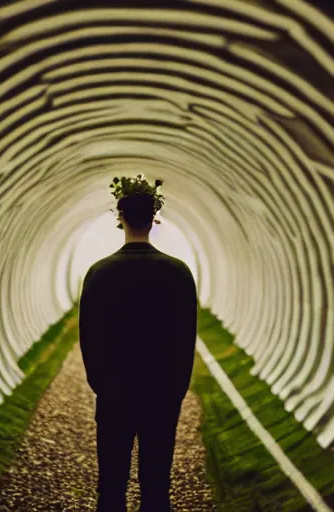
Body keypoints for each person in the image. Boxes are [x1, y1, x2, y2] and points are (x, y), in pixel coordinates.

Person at [78, 175, 198, 512]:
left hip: (115, 392)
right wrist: (176, 389)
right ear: (154, 217)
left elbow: (88, 337)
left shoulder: (99, 273)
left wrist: (101, 384)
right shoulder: (178, 273)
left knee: (112, 486)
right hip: (161, 393)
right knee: (157, 486)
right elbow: (185, 338)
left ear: (120, 217)